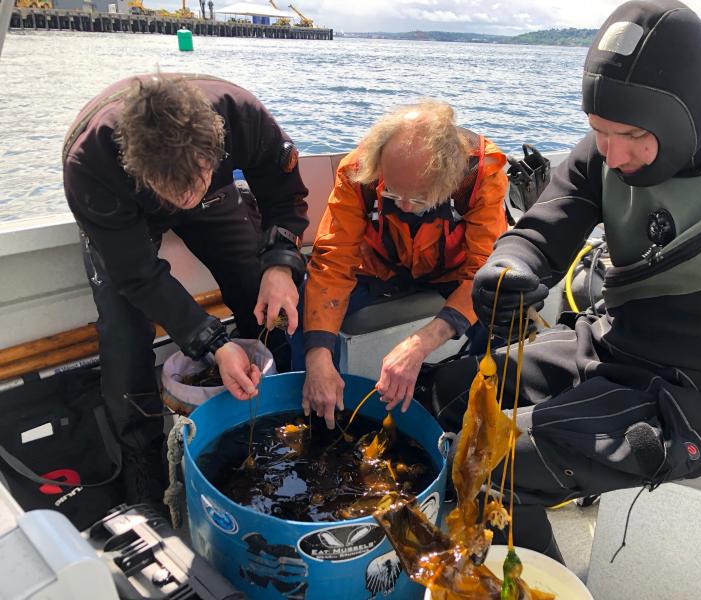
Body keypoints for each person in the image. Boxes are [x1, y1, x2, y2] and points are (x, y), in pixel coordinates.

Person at [438, 0, 701, 560]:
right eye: (597, 131)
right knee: (444, 393)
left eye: (631, 133)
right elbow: (542, 228)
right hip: (611, 345)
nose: (612, 152)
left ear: (691, 113)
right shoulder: (607, 147)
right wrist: (507, 269)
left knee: (492, 458)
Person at [62, 74, 309, 505]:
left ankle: (275, 415)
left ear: (218, 147)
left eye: (190, 186)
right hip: (127, 204)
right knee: (123, 330)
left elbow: (285, 196)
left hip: (216, 192)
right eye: (174, 194)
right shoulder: (91, 166)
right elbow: (138, 274)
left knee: (258, 286)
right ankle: (142, 461)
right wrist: (214, 343)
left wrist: (281, 265)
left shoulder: (241, 116)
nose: (183, 202)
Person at [294, 100, 509, 429]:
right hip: (381, 266)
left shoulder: (482, 175)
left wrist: (420, 344)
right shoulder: (360, 170)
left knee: (503, 315)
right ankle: (312, 415)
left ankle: (463, 411)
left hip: (454, 272)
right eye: (393, 193)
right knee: (303, 317)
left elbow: (484, 270)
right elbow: (333, 261)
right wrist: (318, 353)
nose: (406, 205)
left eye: (420, 197)